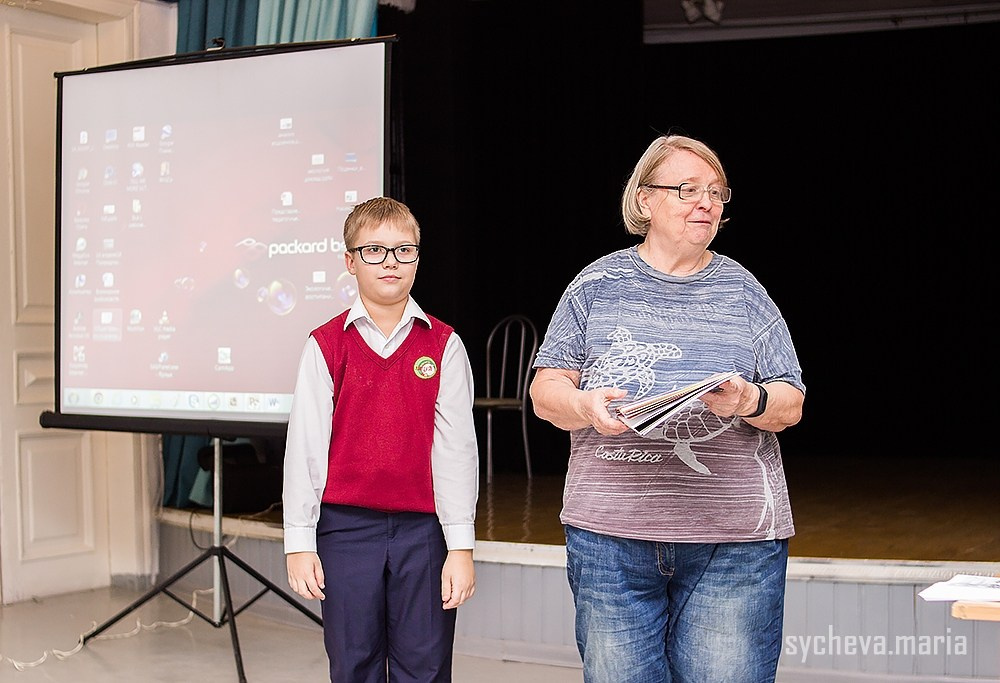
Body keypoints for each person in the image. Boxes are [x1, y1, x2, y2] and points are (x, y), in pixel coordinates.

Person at [529, 134, 805, 683]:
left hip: (734, 543)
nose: (706, 202)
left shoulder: (745, 291)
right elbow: (545, 392)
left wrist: (750, 399)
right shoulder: (595, 285)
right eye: (687, 189)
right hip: (611, 539)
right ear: (644, 200)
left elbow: (791, 401)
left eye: (716, 192)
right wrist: (584, 404)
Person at [282, 196, 479, 682]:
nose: (390, 261)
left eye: (403, 250)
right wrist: (299, 541)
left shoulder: (443, 344)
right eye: (374, 250)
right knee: (353, 664)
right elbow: (305, 447)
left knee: (427, 664)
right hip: (345, 531)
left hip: (423, 534)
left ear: (418, 257)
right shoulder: (326, 345)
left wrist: (461, 546)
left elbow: (457, 450)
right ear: (349, 261)